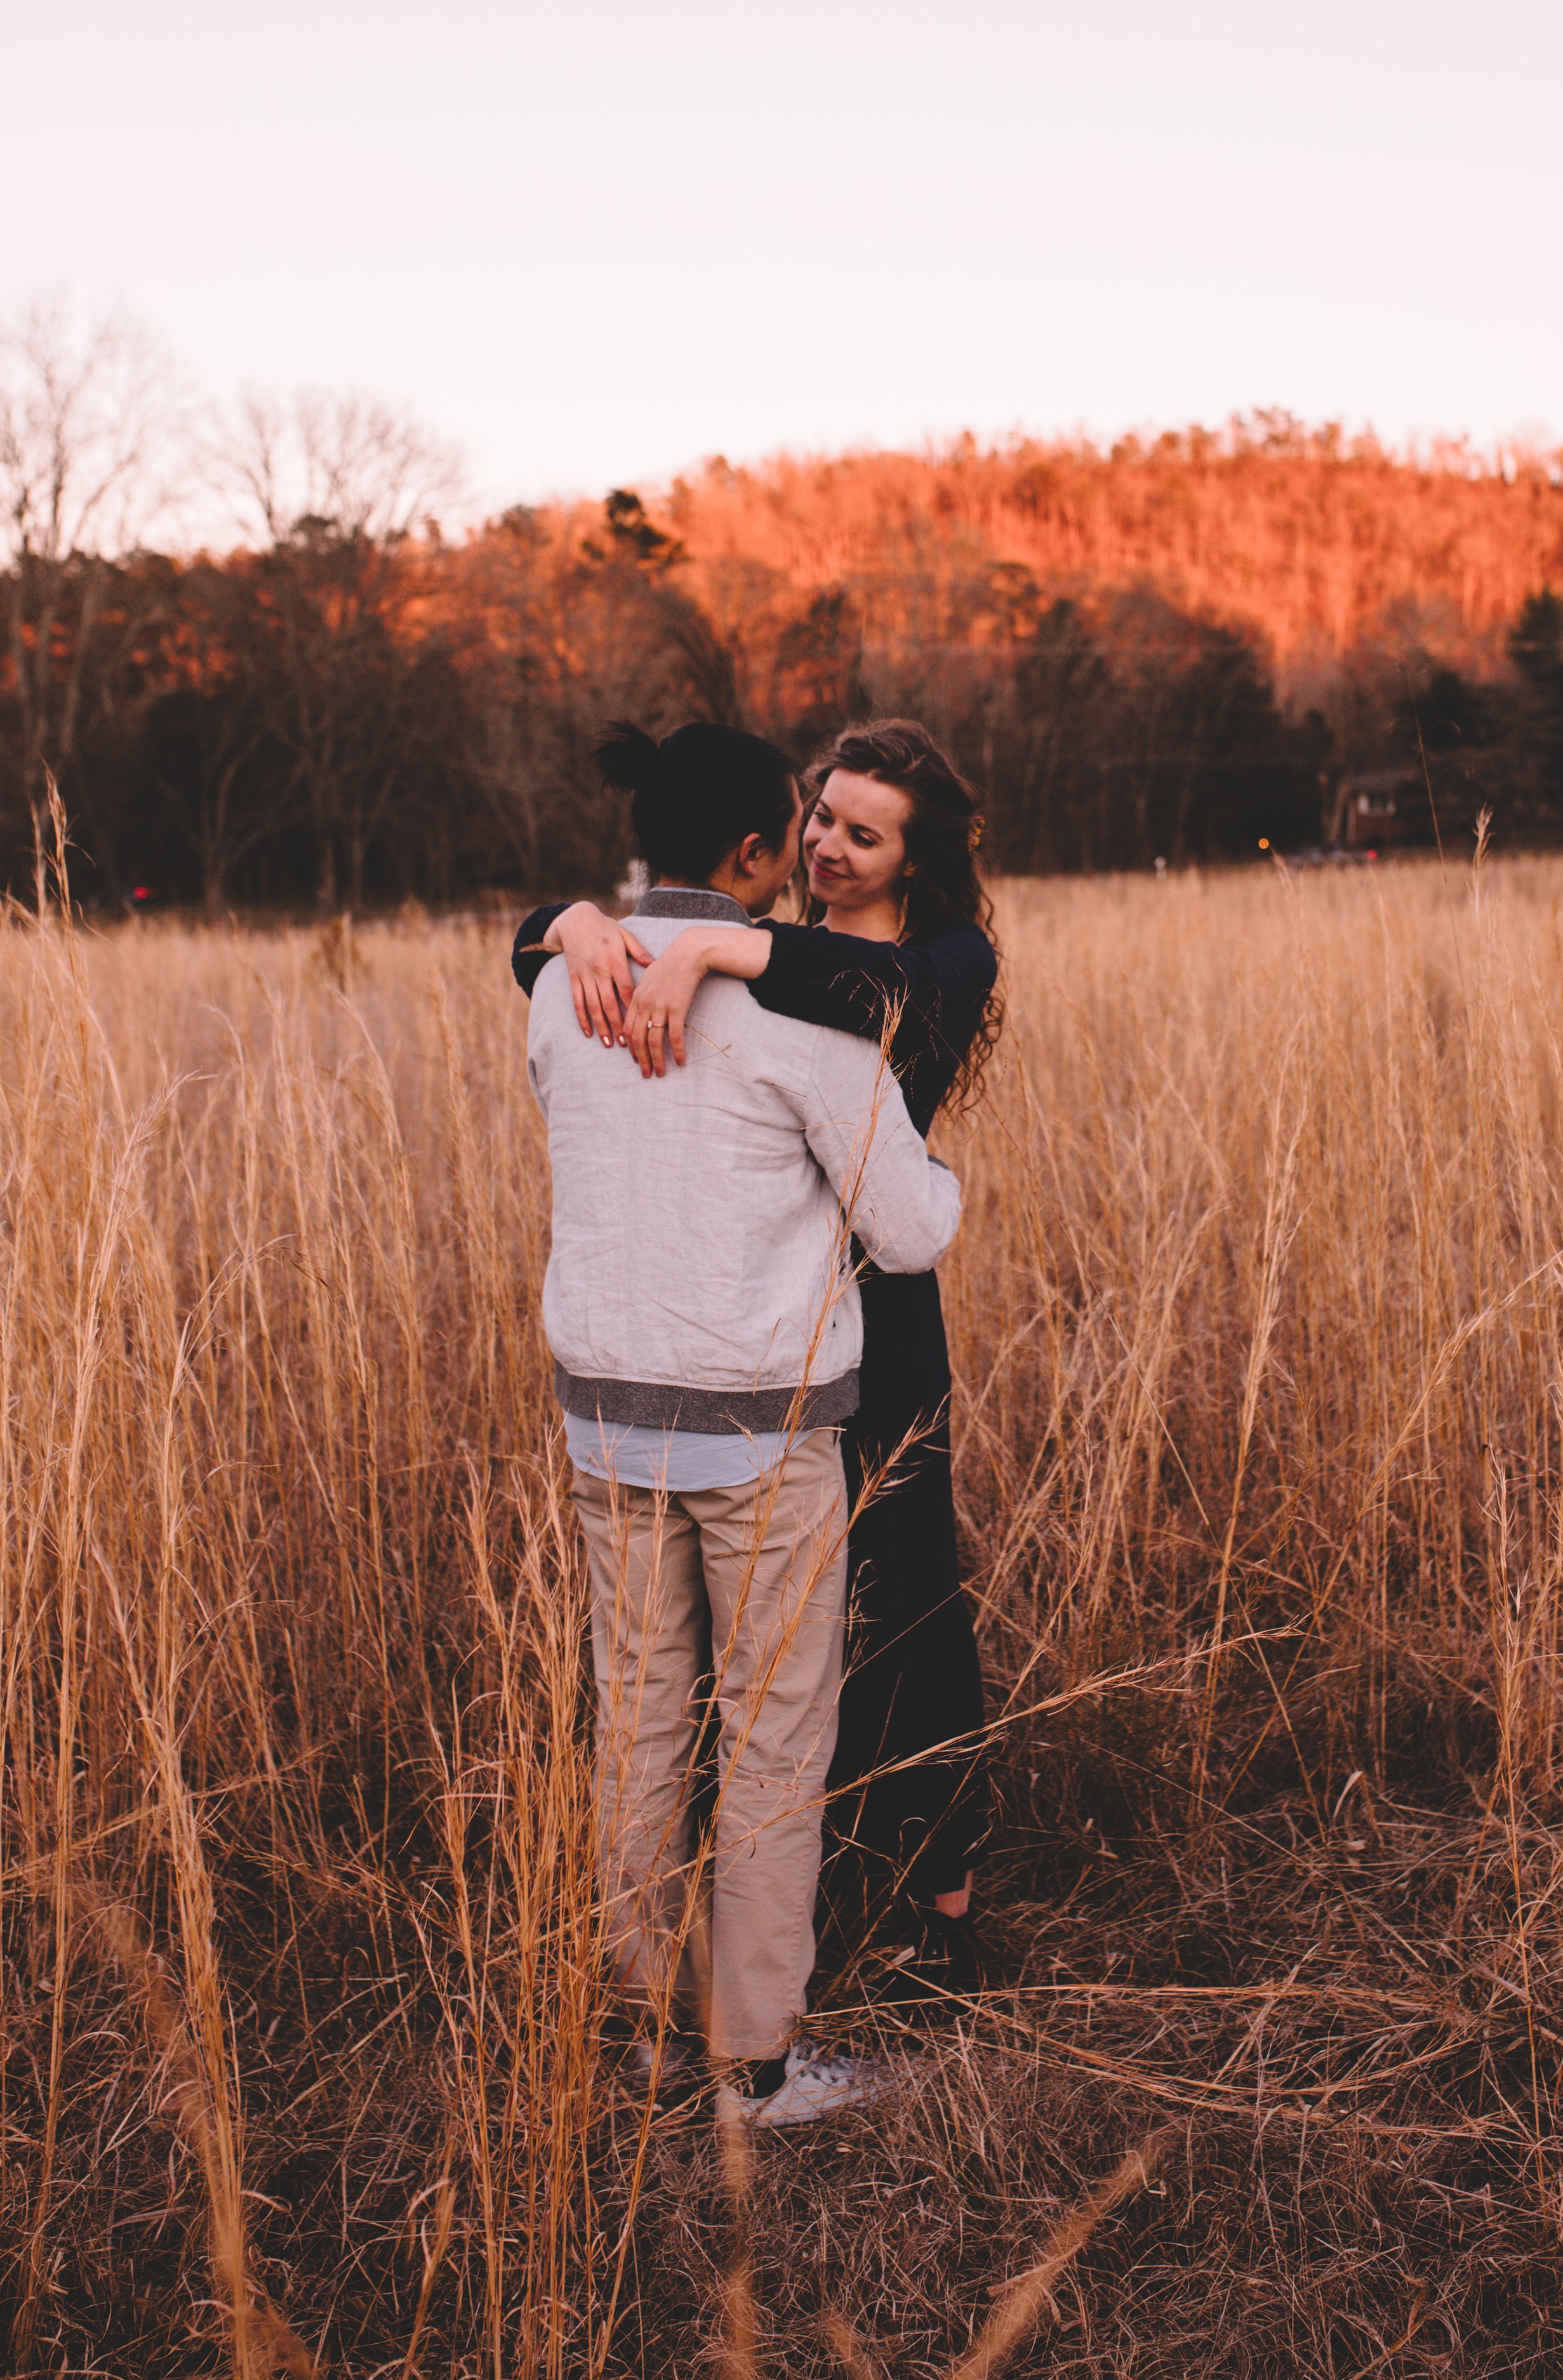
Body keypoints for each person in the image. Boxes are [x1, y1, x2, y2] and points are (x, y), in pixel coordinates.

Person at [521, 719, 962, 2125]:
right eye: (800, 834)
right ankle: (753, 2069)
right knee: (774, 1743)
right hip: (763, 1444)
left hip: (608, 1429)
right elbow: (908, 1229)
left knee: (639, 1722)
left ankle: (642, 2033)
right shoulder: (803, 1016)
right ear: (761, 854)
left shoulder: (557, 991)